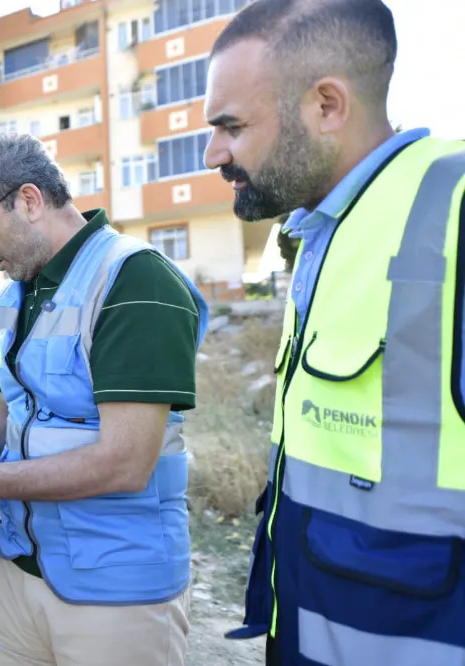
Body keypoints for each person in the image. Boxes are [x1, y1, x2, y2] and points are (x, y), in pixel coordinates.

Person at [203, 0, 465, 664]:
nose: (214, 153)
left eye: (231, 126)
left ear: (326, 105)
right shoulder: (323, 233)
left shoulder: (454, 208)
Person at [0, 133, 210, 666]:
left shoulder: (135, 279)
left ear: (29, 201)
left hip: (116, 591)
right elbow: (18, 408)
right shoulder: (20, 294)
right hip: (20, 574)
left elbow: (126, 462)